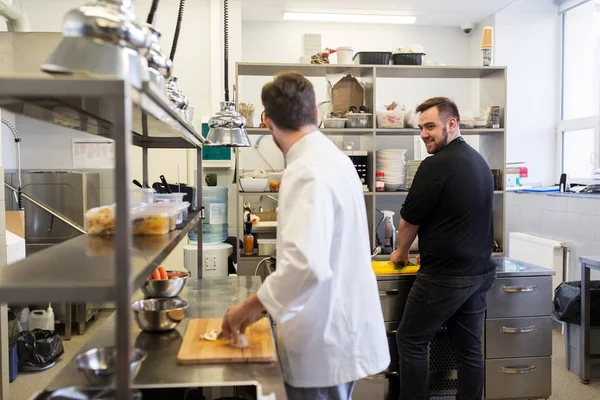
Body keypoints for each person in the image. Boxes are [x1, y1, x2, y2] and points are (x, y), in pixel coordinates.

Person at [221, 71, 390, 399]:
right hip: (336, 329)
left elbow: (305, 264)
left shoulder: (306, 171)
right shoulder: (333, 159)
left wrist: (249, 307)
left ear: (267, 122)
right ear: (315, 113)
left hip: (323, 340)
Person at [390, 97, 496, 400]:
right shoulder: (478, 162)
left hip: (445, 277)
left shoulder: (435, 164)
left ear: (452, 124)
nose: (424, 133)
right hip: (479, 271)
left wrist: (400, 253)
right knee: (469, 349)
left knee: (410, 340)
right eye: (421, 127)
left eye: (430, 126)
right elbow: (456, 216)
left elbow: (409, 219)